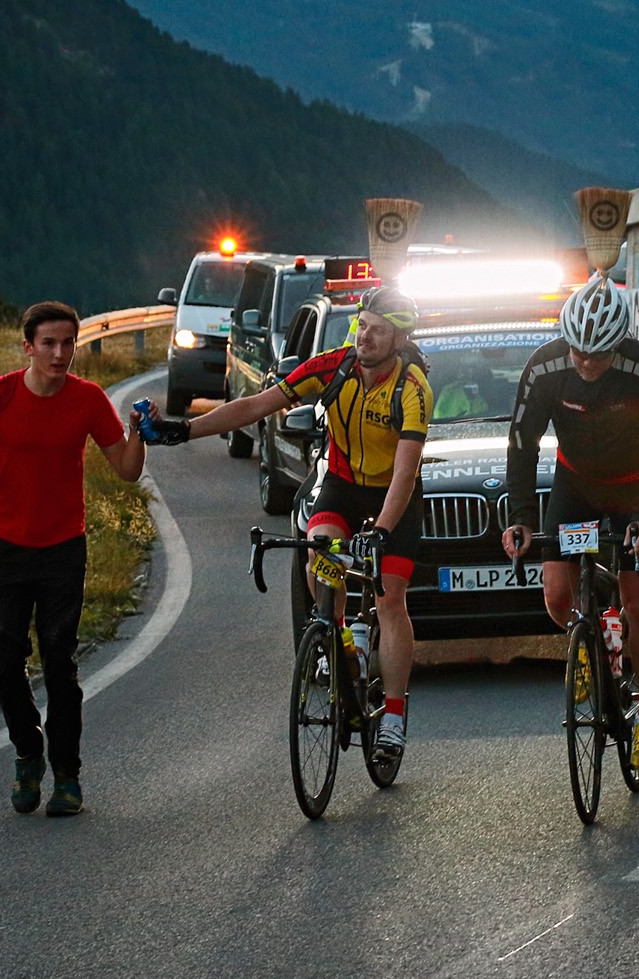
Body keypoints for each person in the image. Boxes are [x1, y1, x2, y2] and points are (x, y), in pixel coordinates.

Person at [146, 285, 429, 762]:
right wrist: (185, 430)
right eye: (363, 324)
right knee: (321, 555)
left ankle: (394, 719)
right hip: (340, 483)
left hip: (392, 494)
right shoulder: (333, 366)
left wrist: (380, 531)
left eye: (379, 331)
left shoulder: (412, 387)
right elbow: (257, 405)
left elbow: (405, 470)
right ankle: (340, 639)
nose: (366, 337)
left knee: (390, 599)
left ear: (399, 340)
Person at [0, 301, 146, 817]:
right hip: (6, 550)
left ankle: (67, 778)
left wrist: (140, 434)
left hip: (62, 551)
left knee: (59, 664)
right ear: (28, 346)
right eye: (49, 344)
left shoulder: (89, 398)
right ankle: (28, 753)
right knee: (6, 664)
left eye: (68, 343)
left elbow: (124, 469)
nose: (60, 354)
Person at [502, 274, 639, 771]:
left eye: (597, 355)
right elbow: (522, 445)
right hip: (575, 483)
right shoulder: (545, 366)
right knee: (557, 594)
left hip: (632, 485)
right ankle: (596, 635)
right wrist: (520, 519)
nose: (586, 363)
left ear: (619, 343)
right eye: (579, 351)